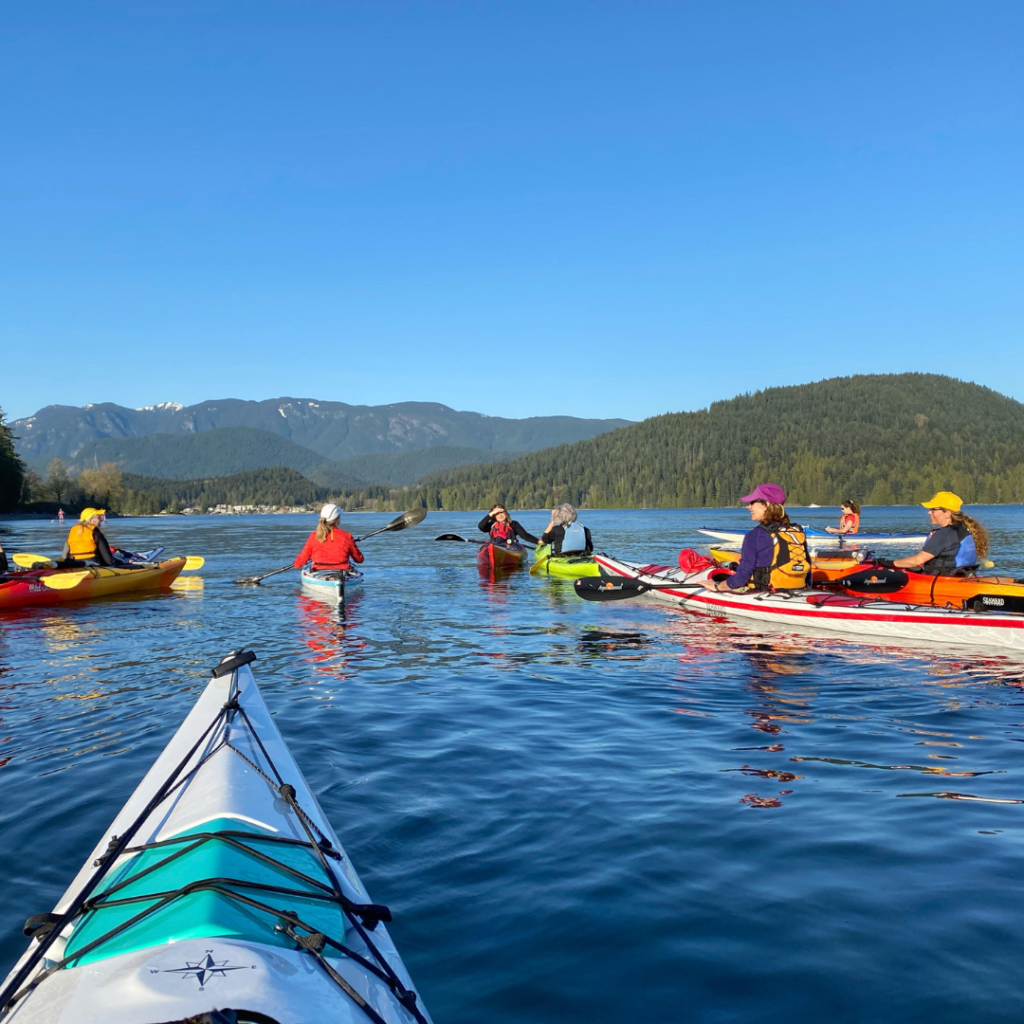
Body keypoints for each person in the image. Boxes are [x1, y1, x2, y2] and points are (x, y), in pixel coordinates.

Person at [701, 483, 809, 592]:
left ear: (766, 504)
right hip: (799, 590)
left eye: (752, 502)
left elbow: (741, 579)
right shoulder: (796, 532)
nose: (748, 507)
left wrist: (717, 586)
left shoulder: (755, 535)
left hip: (766, 593)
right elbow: (808, 571)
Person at [888, 491, 989, 574]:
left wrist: (889, 563)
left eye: (933, 510)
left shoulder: (944, 534)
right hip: (962, 577)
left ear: (947, 513)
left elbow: (917, 561)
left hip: (941, 582)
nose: (929, 512)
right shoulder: (965, 528)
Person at [293, 504, 364, 572]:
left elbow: (297, 564)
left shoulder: (314, 536)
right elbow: (359, 559)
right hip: (342, 573)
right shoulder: (347, 536)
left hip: (319, 573)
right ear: (337, 519)